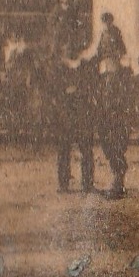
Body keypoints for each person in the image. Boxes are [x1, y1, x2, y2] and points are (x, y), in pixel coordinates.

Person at [48, 53, 98, 194]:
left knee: (86, 148)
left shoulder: (85, 65)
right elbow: (53, 90)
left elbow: (91, 87)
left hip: (82, 114)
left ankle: (87, 183)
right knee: (64, 149)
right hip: (66, 114)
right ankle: (64, 183)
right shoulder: (59, 67)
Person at [97, 59, 136, 199]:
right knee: (109, 148)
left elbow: (125, 101)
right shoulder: (102, 81)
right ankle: (117, 179)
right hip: (106, 120)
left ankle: (118, 181)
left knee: (116, 148)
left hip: (117, 120)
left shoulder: (121, 82)